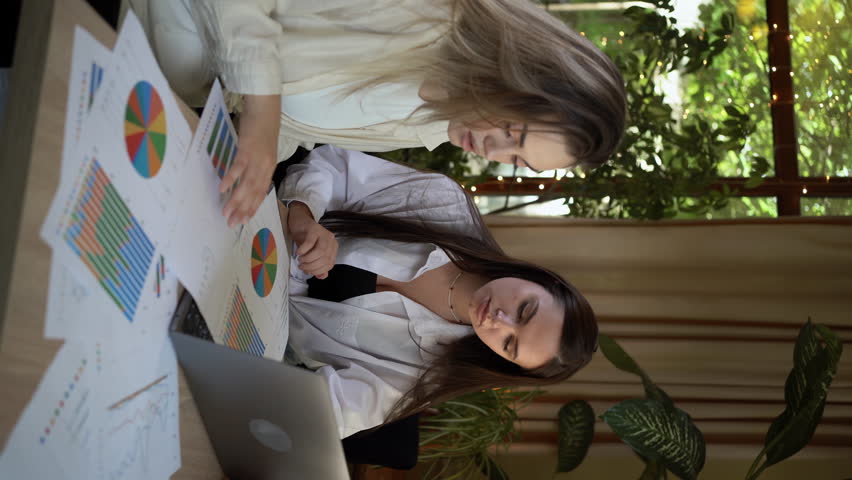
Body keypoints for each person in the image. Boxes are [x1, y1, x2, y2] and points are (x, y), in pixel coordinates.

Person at [133, 0, 627, 226]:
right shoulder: (425, 13)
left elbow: (295, 122)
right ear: (519, 69)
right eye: (511, 128)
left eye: (517, 160)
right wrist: (261, 115)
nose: (493, 150)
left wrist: (257, 176)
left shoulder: (434, 125)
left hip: (147, 75)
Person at [280, 145, 598, 438]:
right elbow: (334, 167)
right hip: (257, 231)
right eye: (524, 310)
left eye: (509, 343)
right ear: (541, 281)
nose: (499, 320)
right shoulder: (443, 203)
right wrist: (303, 215)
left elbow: (323, 414)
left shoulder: (426, 375)